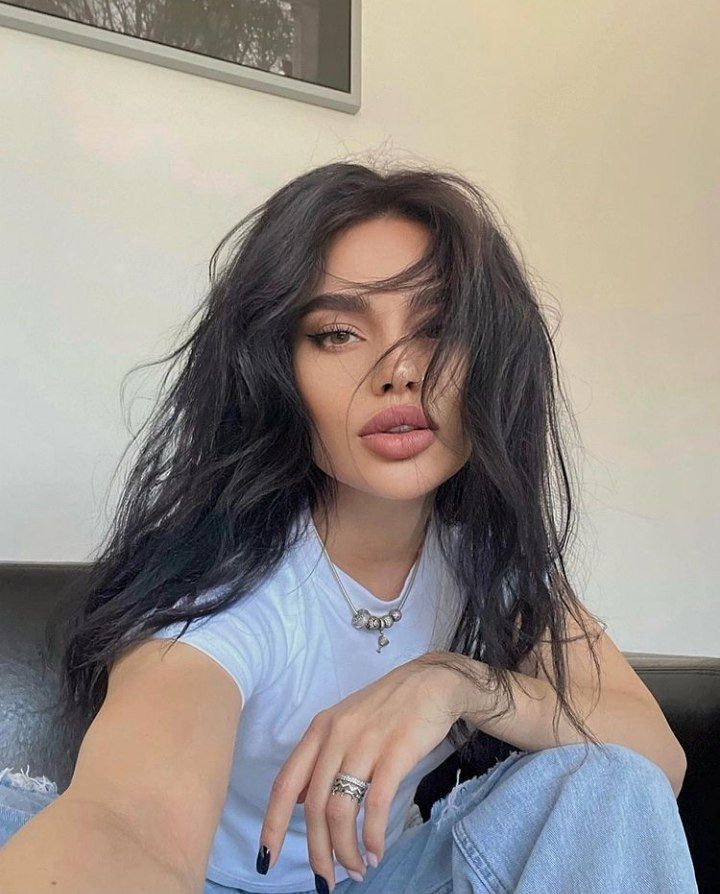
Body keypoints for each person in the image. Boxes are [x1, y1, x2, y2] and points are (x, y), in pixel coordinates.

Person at [0, 161, 698, 894]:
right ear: (276, 372)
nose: (399, 371)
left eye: (438, 327)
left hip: (386, 877)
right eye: (337, 333)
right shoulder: (218, 587)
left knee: (610, 783)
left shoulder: (486, 564)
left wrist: (455, 681)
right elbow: (128, 820)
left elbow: (658, 759)